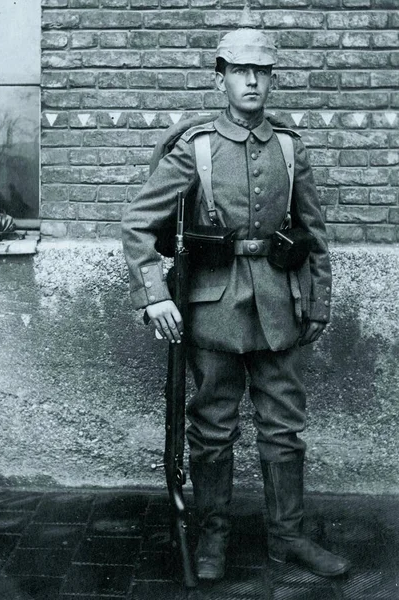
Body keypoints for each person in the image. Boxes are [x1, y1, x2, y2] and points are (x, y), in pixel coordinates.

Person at [121, 27, 351, 581]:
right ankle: (212, 538)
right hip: (213, 310)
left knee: (283, 427)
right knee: (213, 426)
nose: (253, 81)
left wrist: (317, 303)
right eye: (240, 71)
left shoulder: (290, 148)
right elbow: (137, 224)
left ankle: (288, 537)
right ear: (219, 77)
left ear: (271, 79)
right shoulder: (197, 147)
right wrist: (154, 296)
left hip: (279, 305)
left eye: (263, 71)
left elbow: (315, 236)